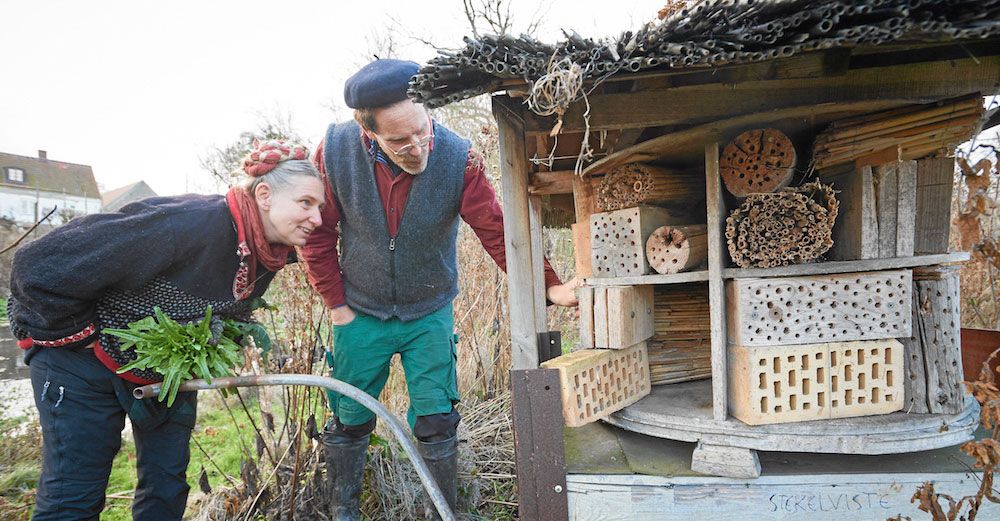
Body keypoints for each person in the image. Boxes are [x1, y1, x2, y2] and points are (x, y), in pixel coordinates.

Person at [300, 58, 578, 520]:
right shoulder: (333, 153)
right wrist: (336, 305)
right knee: (350, 418)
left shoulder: (458, 158)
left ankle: (442, 512)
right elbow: (317, 234)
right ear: (368, 131)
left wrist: (548, 285)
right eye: (399, 140)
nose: (417, 147)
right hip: (358, 310)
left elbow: (496, 229)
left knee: (437, 420)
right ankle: (344, 510)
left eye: (421, 130)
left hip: (429, 312)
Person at [7, 140, 325, 520]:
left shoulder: (269, 249)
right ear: (265, 195)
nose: (317, 218)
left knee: (167, 485)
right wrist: (88, 337)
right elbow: (35, 267)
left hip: (165, 369)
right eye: (306, 203)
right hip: (78, 362)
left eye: (320, 207)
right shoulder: (187, 223)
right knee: (74, 496)